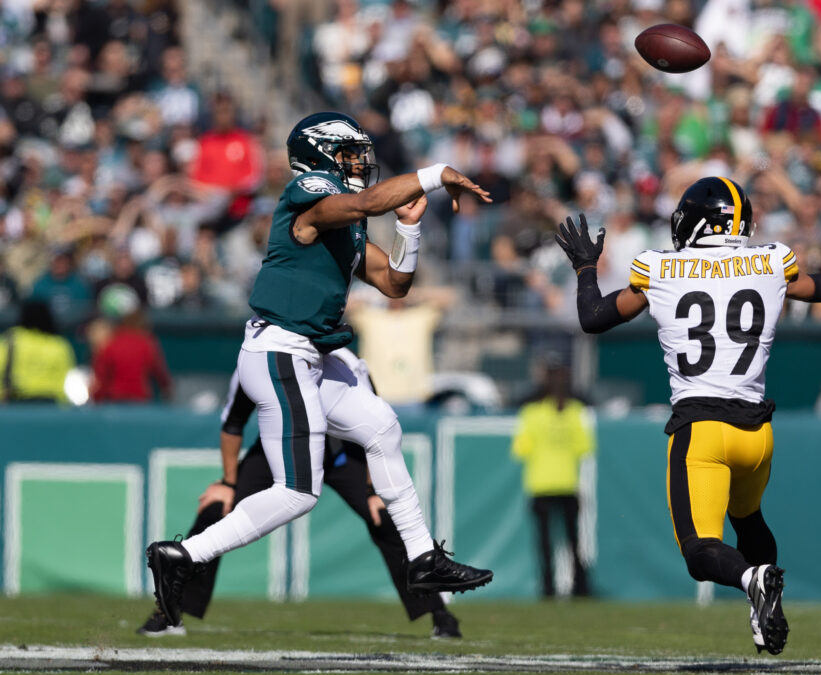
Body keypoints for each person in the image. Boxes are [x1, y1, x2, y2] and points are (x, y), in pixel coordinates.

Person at [146, 111, 494, 630]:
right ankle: (183, 556)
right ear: (320, 155)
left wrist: (409, 228)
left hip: (312, 356)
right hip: (281, 349)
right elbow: (364, 201)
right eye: (350, 154)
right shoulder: (308, 192)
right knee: (297, 492)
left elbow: (396, 285)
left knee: (382, 427)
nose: (360, 164)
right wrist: (435, 173)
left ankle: (422, 558)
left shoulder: (346, 228)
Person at [555, 179, 821, 655]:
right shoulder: (771, 259)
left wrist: (586, 267)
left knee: (700, 550)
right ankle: (764, 599)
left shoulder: (659, 267)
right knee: (748, 521)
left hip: (702, 430)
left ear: (695, 220)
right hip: (757, 435)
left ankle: (754, 579)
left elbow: (594, 317)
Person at [138, 349, 461, 639]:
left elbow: (374, 432)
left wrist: (373, 490)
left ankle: (439, 613)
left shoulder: (348, 365)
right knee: (217, 510)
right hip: (279, 448)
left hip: (337, 453)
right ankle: (169, 611)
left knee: (386, 519)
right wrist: (228, 482)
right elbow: (233, 423)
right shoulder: (261, 359)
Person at [511, 357, 593, 599]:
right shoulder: (576, 411)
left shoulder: (532, 413)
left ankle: (548, 588)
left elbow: (521, 448)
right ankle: (580, 587)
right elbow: (585, 446)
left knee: (546, 542)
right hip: (566, 482)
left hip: (542, 484)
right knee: (572, 541)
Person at [0, 299, 75, 403]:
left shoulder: (11, 339)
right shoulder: (59, 345)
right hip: (51, 404)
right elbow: (66, 378)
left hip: (17, 403)